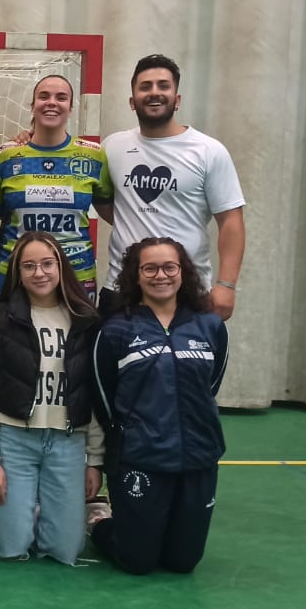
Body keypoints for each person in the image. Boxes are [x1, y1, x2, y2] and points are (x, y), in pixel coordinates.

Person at [90, 237, 228, 575]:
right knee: (138, 562)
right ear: (136, 275)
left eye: (169, 267)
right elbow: (103, 396)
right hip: (142, 458)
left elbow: (210, 385)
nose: (160, 275)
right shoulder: (115, 330)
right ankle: (98, 521)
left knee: (183, 563)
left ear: (183, 272)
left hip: (198, 458)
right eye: (149, 268)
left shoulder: (210, 326)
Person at [0, 231, 104, 564]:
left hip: (67, 442)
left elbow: (95, 395)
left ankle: (43, 505)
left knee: (65, 551)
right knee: (12, 547)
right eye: (29, 266)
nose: (39, 273)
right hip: (15, 440)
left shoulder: (87, 321)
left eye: (47, 264)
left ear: (61, 267)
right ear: (18, 271)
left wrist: (95, 460)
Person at [102, 54, 245, 319]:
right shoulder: (112, 147)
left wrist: (227, 285)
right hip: (122, 292)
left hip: (187, 293)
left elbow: (230, 220)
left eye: (163, 86)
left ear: (177, 100)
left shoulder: (208, 151)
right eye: (145, 86)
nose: (154, 92)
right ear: (132, 101)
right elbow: (109, 204)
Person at [0, 75, 113, 299]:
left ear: (70, 108)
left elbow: (116, 214)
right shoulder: (6, 155)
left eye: (61, 97)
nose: (52, 102)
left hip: (76, 275)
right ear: (33, 106)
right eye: (44, 96)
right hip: (14, 274)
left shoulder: (93, 155)